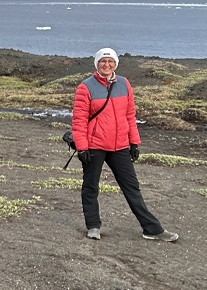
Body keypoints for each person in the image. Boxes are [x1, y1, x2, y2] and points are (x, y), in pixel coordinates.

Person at [71, 48, 179, 242]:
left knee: (132, 187)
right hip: (94, 145)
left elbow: (130, 115)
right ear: (97, 64)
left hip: (120, 145)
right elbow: (79, 121)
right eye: (103, 61)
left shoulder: (124, 84)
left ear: (115, 63)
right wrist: (82, 147)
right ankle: (93, 226)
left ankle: (152, 229)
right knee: (90, 186)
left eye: (110, 61)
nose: (106, 64)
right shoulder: (85, 87)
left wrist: (134, 142)